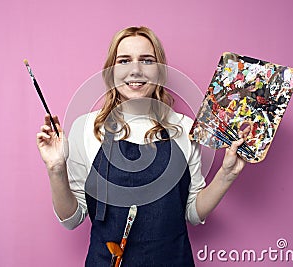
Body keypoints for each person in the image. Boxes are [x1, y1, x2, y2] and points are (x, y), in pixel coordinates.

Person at [36, 26, 250, 266]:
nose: (135, 70)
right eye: (124, 61)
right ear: (111, 71)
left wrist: (227, 174)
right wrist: (56, 169)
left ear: (159, 72)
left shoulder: (185, 128)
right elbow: (71, 219)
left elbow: (192, 212)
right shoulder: (85, 128)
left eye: (146, 61)